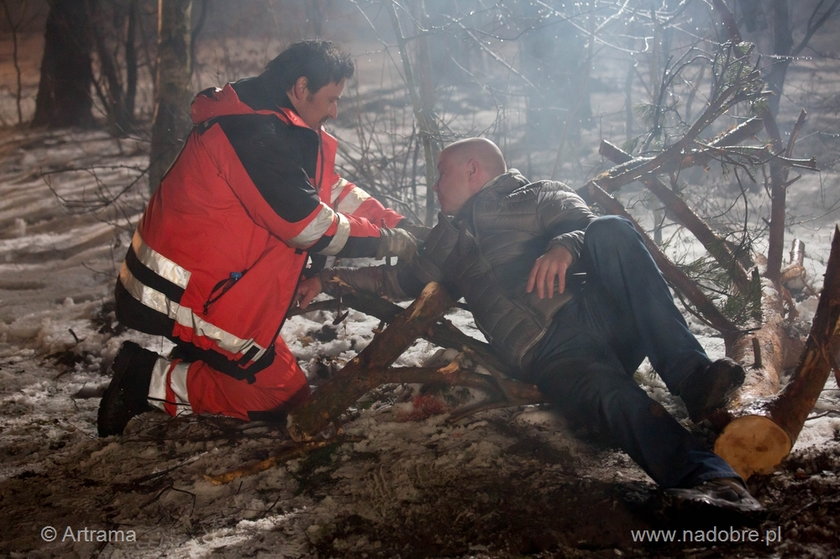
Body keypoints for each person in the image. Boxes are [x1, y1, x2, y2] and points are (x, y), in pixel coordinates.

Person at [296, 137, 764, 514]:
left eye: (442, 174)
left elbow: (585, 220)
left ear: (473, 169)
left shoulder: (535, 194)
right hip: (549, 353)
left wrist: (566, 245)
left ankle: (692, 378)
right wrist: (327, 279)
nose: (435, 186)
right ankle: (716, 484)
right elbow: (396, 278)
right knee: (613, 397)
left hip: (599, 315)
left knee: (612, 231)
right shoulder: (445, 241)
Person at [97, 40, 418, 437]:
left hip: (211, 290)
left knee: (279, 389)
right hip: (181, 295)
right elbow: (307, 224)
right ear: (301, 88)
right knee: (279, 397)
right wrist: (389, 241)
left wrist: (398, 223)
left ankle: (199, 361)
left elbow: (327, 189)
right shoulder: (250, 132)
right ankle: (143, 379)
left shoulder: (275, 123)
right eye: (332, 99)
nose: (335, 111)